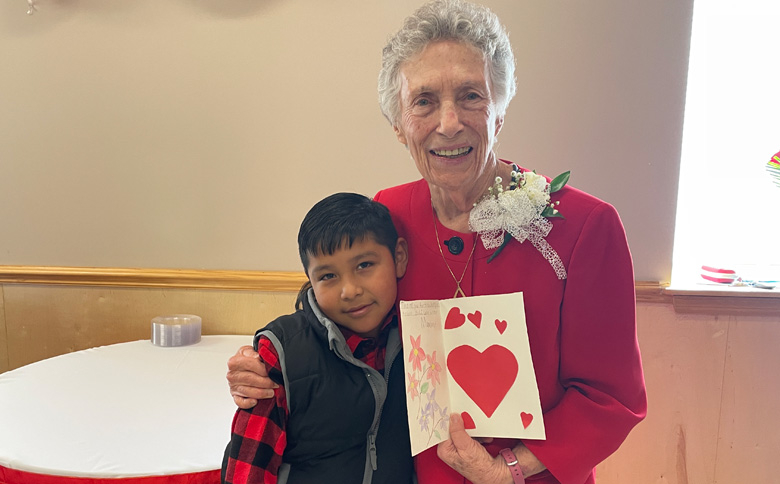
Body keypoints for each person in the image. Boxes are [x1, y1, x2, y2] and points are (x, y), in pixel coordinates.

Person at [226, 1, 647, 483]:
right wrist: (267, 363)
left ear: (500, 111)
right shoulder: (389, 215)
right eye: (423, 101)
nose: (449, 123)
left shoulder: (584, 226)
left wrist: (507, 470)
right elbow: (343, 324)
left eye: (471, 95)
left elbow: (611, 398)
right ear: (399, 126)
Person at [222, 192, 414, 484]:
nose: (349, 290)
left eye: (364, 265)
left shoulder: (419, 342)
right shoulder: (283, 355)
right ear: (310, 279)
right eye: (328, 276)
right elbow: (248, 470)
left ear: (398, 258)